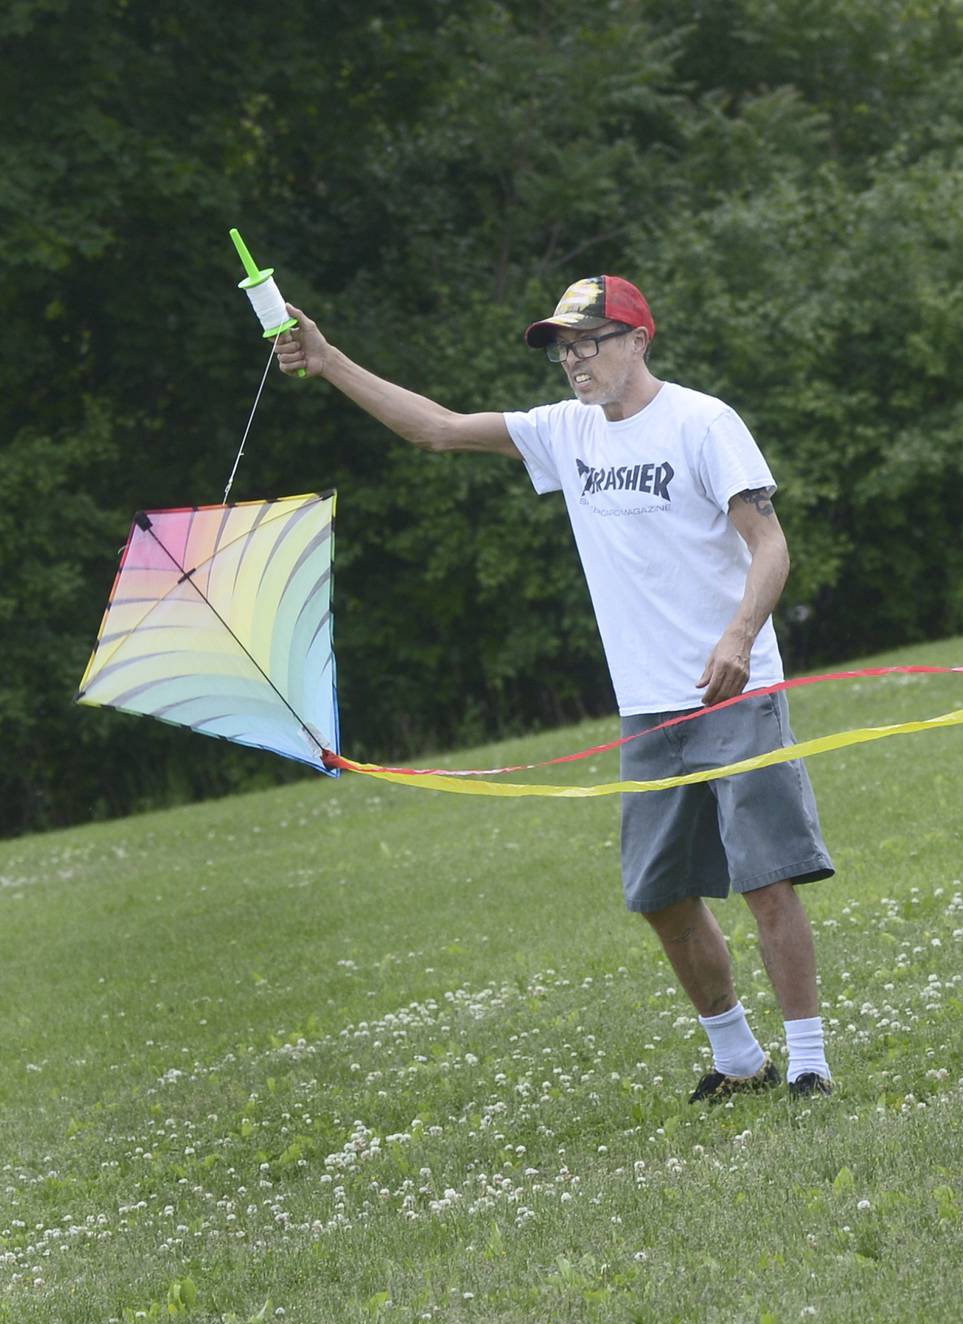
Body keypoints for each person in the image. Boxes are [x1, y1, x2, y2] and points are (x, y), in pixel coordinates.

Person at [272, 276, 835, 1100]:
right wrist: (327, 363)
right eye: (563, 347)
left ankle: (811, 1064)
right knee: (661, 895)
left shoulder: (703, 422)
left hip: (732, 690)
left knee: (766, 879)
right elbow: (434, 429)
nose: (574, 360)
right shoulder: (563, 434)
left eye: (589, 342)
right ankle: (740, 1060)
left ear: (638, 339)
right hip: (645, 706)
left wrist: (739, 638)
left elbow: (771, 546)